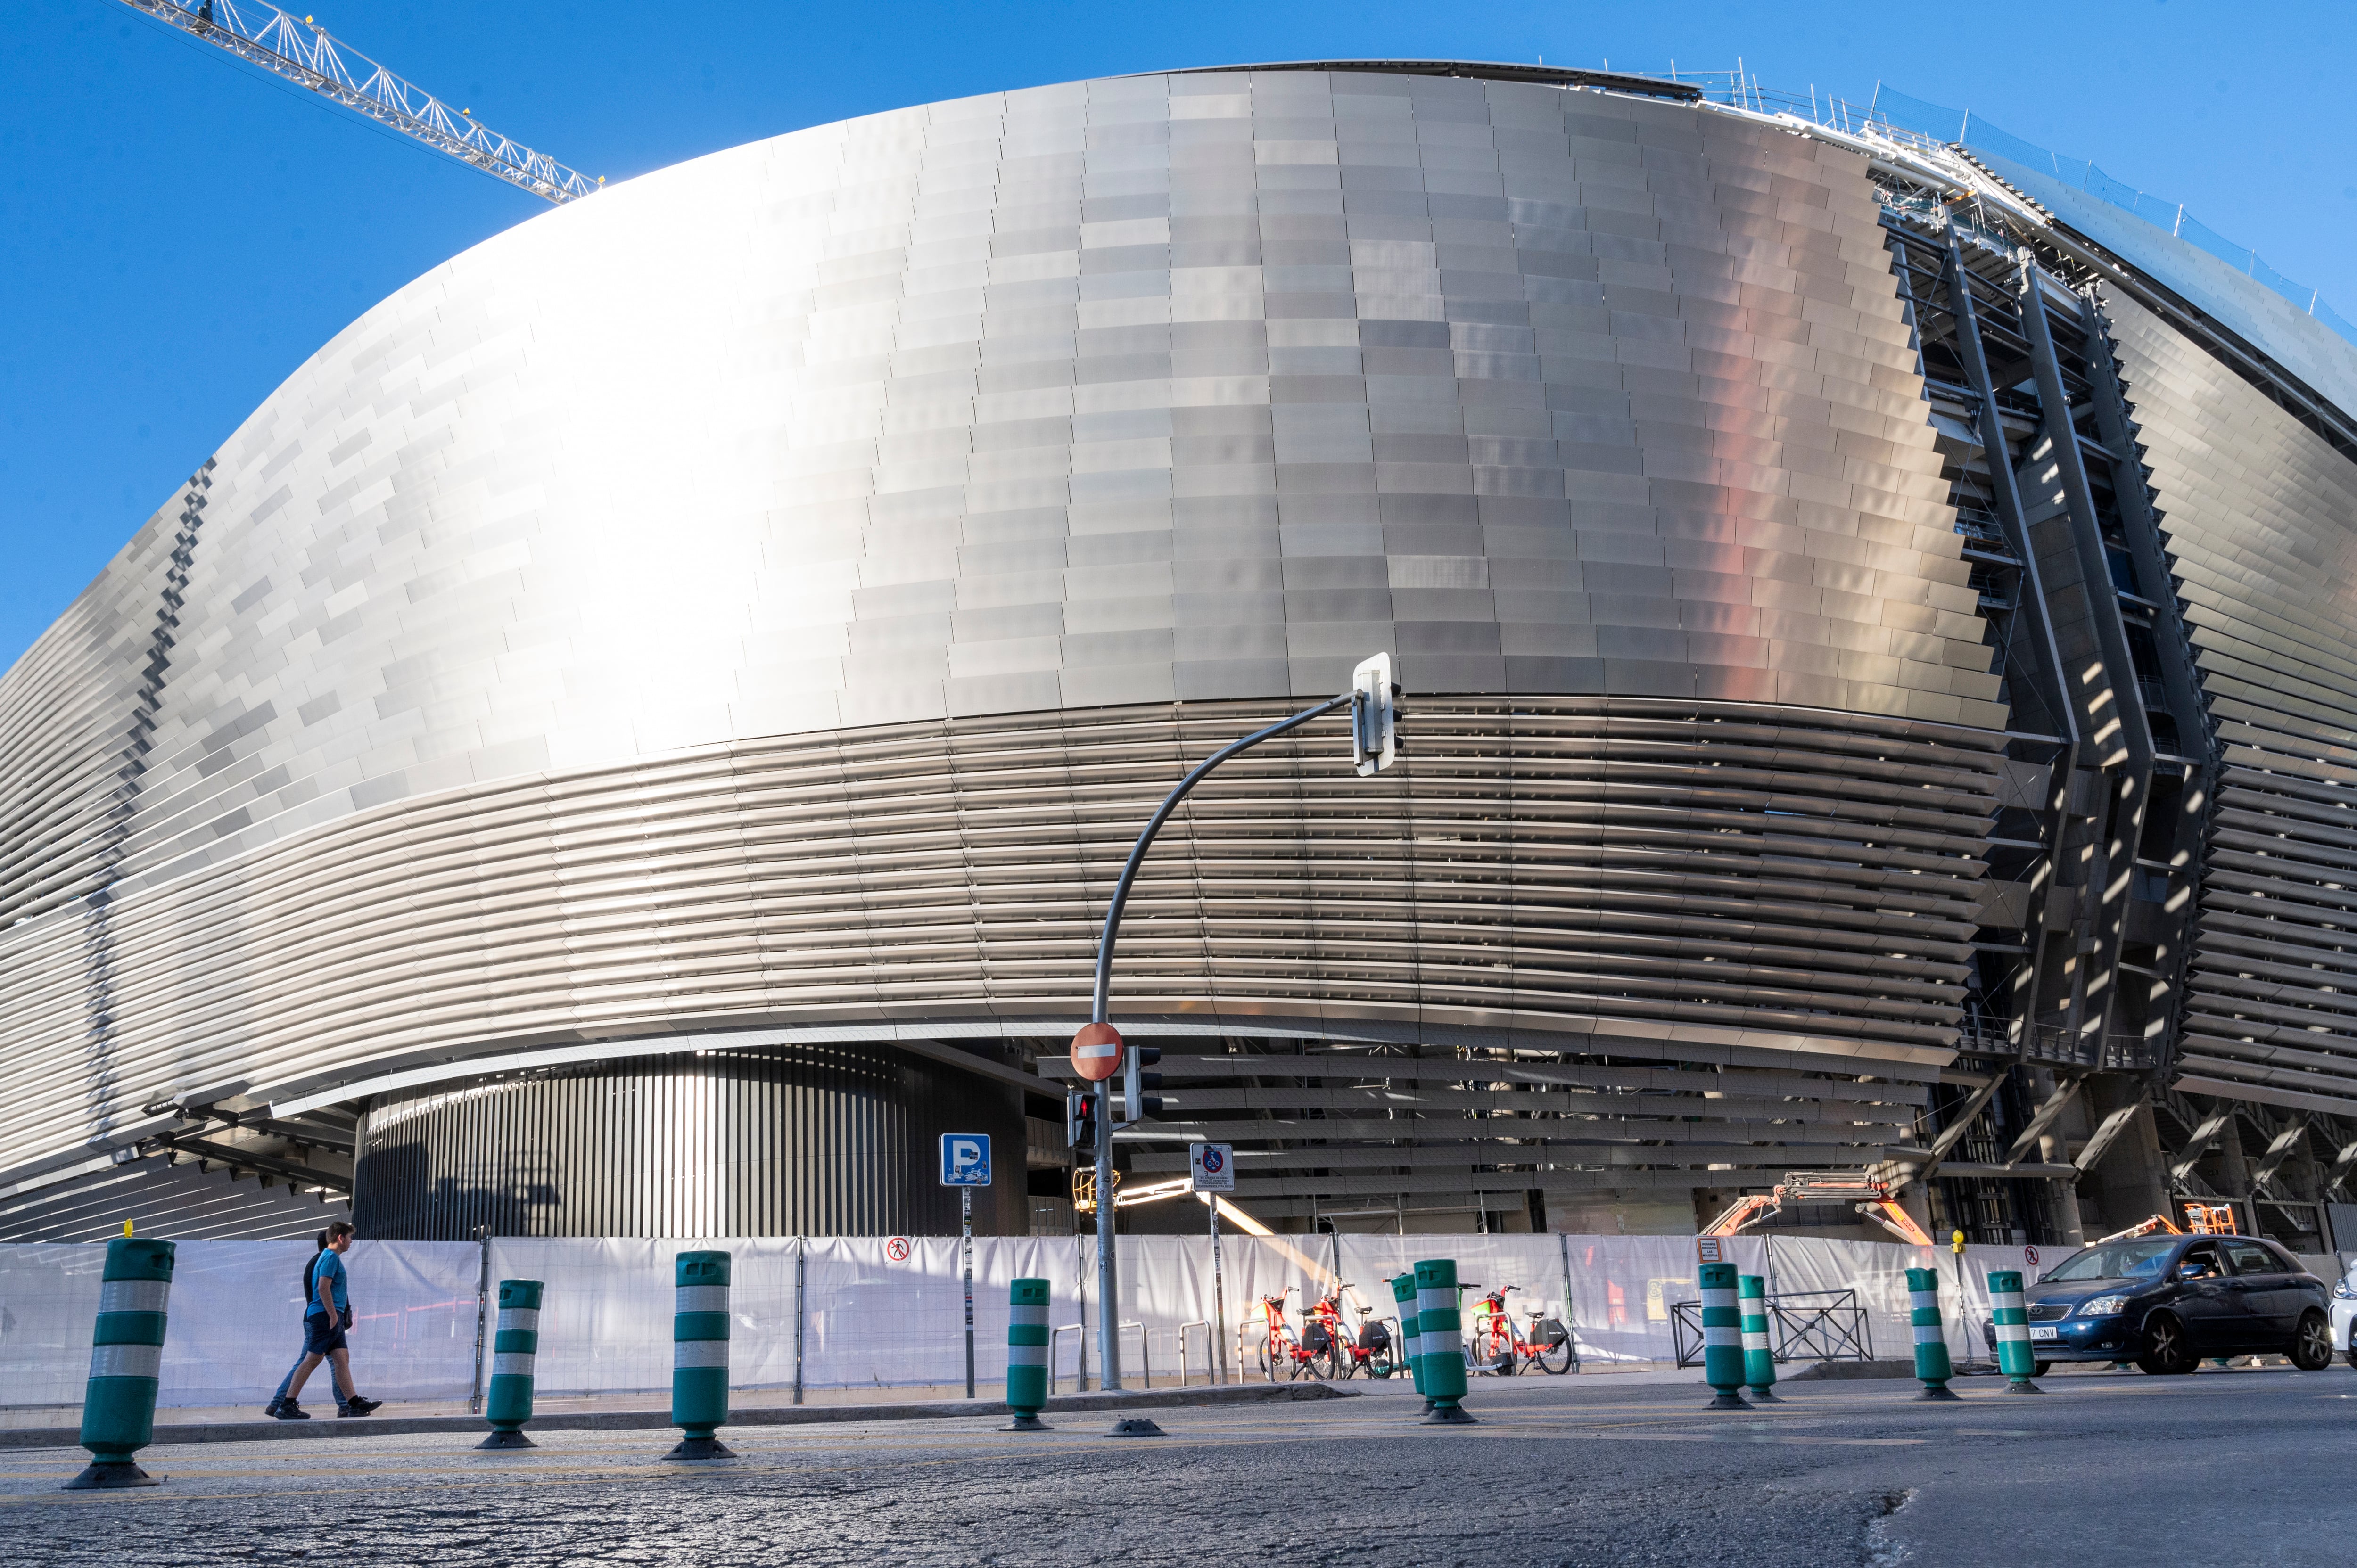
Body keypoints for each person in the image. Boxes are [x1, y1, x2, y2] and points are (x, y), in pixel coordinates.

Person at [277, 1221, 381, 1419]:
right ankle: (287, 1404)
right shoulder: (331, 1258)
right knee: (312, 1359)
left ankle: (353, 1403)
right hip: (324, 1316)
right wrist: (333, 1315)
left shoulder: (329, 1257)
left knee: (342, 1359)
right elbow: (323, 1287)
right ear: (341, 1238)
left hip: (331, 1317)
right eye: (349, 1238)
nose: (351, 1242)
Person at [264, 1231, 332, 1419]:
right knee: (315, 1361)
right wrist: (335, 1316)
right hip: (322, 1320)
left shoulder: (315, 1262)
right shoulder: (324, 1263)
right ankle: (347, 1405)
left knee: (326, 1361)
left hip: (318, 1319)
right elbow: (323, 1291)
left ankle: (278, 1404)